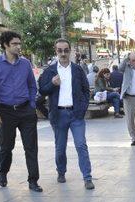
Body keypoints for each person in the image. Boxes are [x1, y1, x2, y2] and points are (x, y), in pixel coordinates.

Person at [0, 31, 43, 192]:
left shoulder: (25, 63)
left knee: (31, 147)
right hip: (5, 112)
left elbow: (32, 85)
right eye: (15, 44)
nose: (18, 47)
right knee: (6, 146)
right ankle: (3, 172)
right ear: (5, 45)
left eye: (19, 43)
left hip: (26, 111)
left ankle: (33, 181)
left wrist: (32, 104)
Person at [39, 39, 95, 190]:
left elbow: (85, 90)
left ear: (70, 51)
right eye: (60, 50)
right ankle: (61, 171)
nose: (63, 53)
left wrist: (82, 108)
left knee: (81, 145)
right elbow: (42, 90)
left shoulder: (77, 70)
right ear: (56, 51)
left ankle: (87, 177)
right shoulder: (50, 71)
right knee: (60, 147)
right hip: (58, 114)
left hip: (76, 114)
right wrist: (52, 84)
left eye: (65, 50)